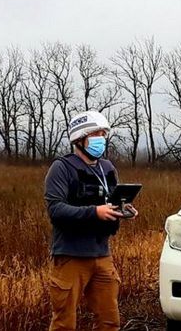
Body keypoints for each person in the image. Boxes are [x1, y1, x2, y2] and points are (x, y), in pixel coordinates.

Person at [45, 111, 138, 331]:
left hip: (102, 254)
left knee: (109, 322)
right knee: (64, 323)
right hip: (71, 256)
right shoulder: (61, 168)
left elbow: (111, 201)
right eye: (96, 134)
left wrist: (124, 209)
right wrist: (94, 212)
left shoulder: (108, 168)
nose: (101, 139)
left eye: (104, 134)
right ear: (80, 138)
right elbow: (56, 209)